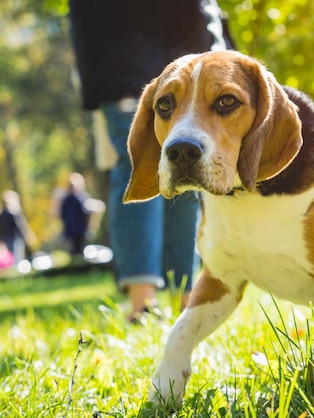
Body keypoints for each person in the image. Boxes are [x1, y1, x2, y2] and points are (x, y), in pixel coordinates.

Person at [68, 0, 236, 321]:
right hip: (122, 51)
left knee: (188, 169)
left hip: (182, 48)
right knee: (140, 166)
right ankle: (142, 303)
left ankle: (186, 297)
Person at [59, 172, 106, 256]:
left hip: (79, 229)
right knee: (75, 249)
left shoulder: (76, 197)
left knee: (79, 249)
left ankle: (77, 263)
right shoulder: (70, 198)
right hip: (74, 229)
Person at [0, 190, 36, 266]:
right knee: (16, 257)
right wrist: (26, 235)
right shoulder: (14, 212)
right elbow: (20, 226)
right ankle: (15, 271)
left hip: (6, 238)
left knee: (11, 257)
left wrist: (0, 239)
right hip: (15, 238)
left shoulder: (1, 213)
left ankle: (13, 270)